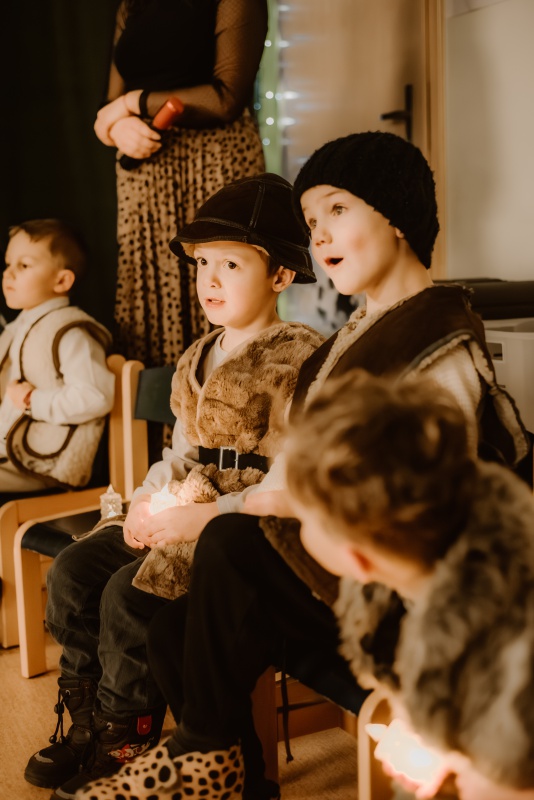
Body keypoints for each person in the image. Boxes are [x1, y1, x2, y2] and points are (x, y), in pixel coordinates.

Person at [75, 132, 530, 800]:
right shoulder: (348, 341)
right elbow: (292, 476)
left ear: (397, 216)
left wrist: (215, 515)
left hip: (396, 590)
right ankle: (235, 780)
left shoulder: (437, 342)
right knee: (171, 625)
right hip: (329, 563)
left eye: (338, 210)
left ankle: (202, 758)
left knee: (232, 543)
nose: (319, 235)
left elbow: (416, 511)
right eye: (312, 221)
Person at [24, 173, 322, 800]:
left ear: (280, 276)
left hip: (240, 520)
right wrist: (144, 502)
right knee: (74, 572)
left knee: (127, 597)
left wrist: (200, 516)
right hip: (183, 500)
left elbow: (292, 476)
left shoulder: (299, 357)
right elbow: (181, 453)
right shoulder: (197, 355)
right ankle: (86, 726)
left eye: (231, 264)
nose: (210, 279)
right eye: (203, 263)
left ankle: (123, 741)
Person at [284, 370, 534, 800]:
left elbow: (507, 776)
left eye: (303, 519)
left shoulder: (512, 643)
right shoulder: (414, 571)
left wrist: (457, 763)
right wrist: (417, 727)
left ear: (358, 560)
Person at [94, 0, 268, 368]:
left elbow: (226, 99)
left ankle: (228, 397)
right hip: (146, 167)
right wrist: (116, 126)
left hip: (215, 160)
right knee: (149, 295)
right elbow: (110, 104)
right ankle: (162, 402)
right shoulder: (131, 4)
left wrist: (132, 103)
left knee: (223, 284)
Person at [0, 219, 115, 495]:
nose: (8, 273)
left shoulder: (70, 332)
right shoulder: (18, 328)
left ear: (62, 280)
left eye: (23, 265)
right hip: (10, 453)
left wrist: (32, 400)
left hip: (42, 465)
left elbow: (96, 396)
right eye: (8, 263)